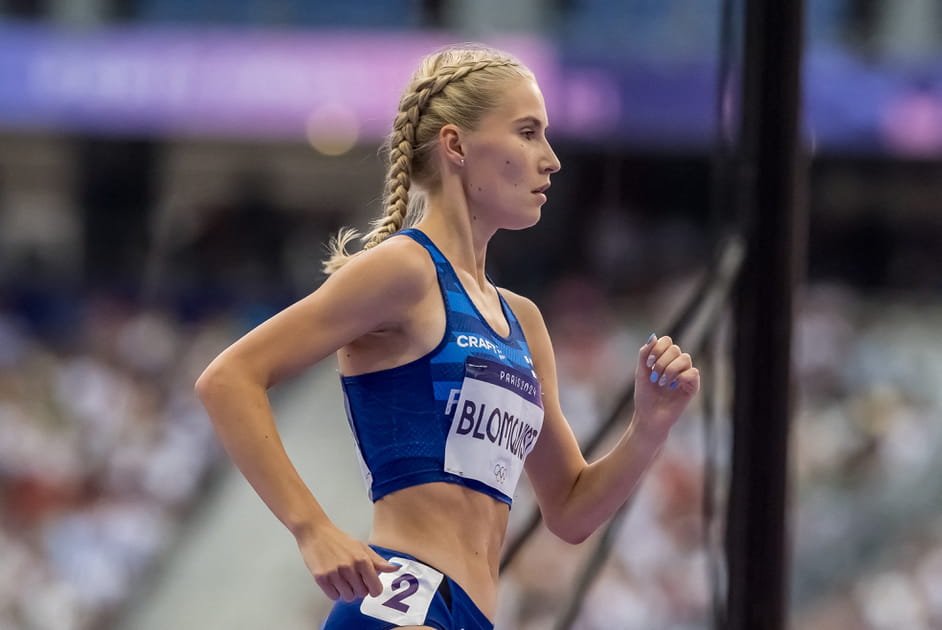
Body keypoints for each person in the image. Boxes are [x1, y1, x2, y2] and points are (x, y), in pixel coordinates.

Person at [195, 44, 700, 630]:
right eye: (528, 133)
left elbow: (570, 511)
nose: (552, 159)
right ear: (456, 146)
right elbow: (228, 379)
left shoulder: (523, 320)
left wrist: (649, 426)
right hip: (401, 598)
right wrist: (311, 527)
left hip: (471, 613)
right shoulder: (405, 271)